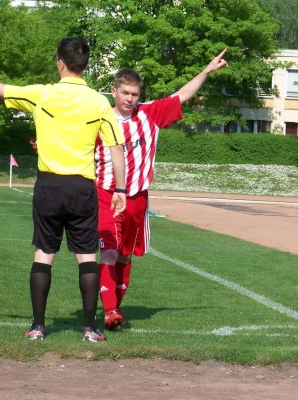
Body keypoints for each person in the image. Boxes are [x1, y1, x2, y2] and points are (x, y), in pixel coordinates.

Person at [0, 38, 127, 342]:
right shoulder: (99, 102)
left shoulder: (44, 94)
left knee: (44, 254)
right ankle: (90, 328)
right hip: (82, 188)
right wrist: (121, 189)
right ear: (84, 66)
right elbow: (117, 147)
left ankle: (38, 326)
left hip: (49, 186)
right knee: (87, 257)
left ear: (60, 63)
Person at [96, 50, 229, 330]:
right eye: (125, 93)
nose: (130, 99)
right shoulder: (99, 119)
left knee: (125, 255)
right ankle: (109, 311)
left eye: (134, 94)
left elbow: (182, 95)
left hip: (138, 199)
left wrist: (206, 71)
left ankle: (115, 307)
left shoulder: (150, 113)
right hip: (106, 195)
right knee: (108, 251)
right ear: (114, 92)